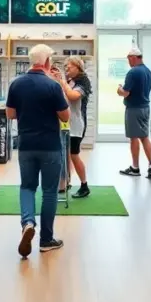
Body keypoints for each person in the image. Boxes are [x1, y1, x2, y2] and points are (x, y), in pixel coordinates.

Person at [6, 44, 70, 258]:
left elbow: (10, 114)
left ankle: (27, 223)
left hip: (26, 145)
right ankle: (46, 240)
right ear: (47, 62)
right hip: (50, 145)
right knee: (50, 191)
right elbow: (65, 116)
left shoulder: (16, 84)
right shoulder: (52, 86)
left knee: (27, 187)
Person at [55, 55, 92, 198]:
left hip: (77, 125)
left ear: (78, 67)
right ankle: (66, 182)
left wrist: (62, 81)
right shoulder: (71, 81)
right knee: (67, 155)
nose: (66, 70)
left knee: (74, 155)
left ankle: (84, 186)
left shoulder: (84, 82)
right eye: (65, 68)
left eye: (69, 67)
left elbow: (72, 96)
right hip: (67, 124)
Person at [118, 46, 151, 178]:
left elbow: (126, 92)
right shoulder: (148, 72)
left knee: (134, 138)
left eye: (129, 58)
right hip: (145, 107)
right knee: (145, 137)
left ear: (134, 58)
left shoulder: (133, 72)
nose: (128, 61)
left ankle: (135, 167)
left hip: (134, 109)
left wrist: (119, 90)